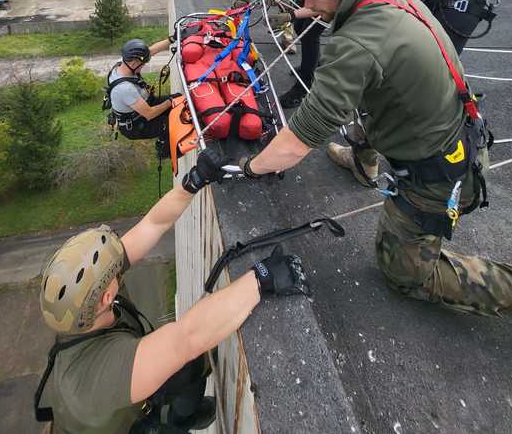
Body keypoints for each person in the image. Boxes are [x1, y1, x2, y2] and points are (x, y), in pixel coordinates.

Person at [230, 0, 512, 316]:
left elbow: (295, 142)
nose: (308, 4)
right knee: (371, 93)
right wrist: (301, 3)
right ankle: (363, 160)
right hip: (461, 133)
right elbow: (336, 17)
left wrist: (247, 168)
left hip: (437, 177)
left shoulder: (357, 45)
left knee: (405, 273)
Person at [35, 157, 309, 433]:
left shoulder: (81, 307)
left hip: (106, 400)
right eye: (111, 273)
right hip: (124, 424)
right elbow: (186, 338)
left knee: (188, 366)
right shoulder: (99, 375)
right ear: (106, 298)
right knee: (185, 359)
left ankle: (182, 413)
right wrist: (261, 279)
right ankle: (175, 423)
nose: (116, 269)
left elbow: (151, 225)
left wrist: (194, 180)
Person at [105, 38, 176, 155]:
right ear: (134, 63)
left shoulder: (124, 63)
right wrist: (170, 101)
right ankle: (166, 151)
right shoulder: (124, 88)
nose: (144, 66)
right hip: (136, 125)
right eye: (142, 64)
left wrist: (172, 39)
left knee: (178, 99)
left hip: (143, 106)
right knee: (170, 122)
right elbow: (150, 114)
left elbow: (150, 51)